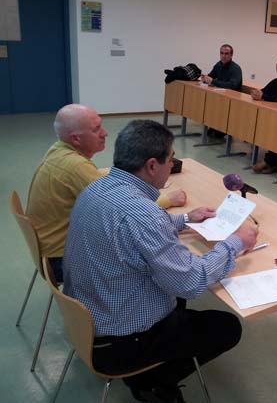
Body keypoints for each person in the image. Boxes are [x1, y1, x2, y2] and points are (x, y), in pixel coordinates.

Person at [63, 120, 258, 402]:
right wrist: (237, 242)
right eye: (171, 159)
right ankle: (152, 381)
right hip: (118, 343)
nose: (172, 166)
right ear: (152, 165)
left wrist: (185, 219)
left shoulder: (97, 188)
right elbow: (192, 281)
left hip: (88, 319)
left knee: (174, 293)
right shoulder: (144, 215)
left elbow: (129, 226)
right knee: (227, 327)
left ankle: (151, 374)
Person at [26, 104, 187, 282]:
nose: (105, 133)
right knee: (149, 255)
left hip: (49, 251)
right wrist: (168, 199)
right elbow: (127, 211)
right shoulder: (76, 167)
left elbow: (101, 184)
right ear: (76, 139)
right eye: (96, 129)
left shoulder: (58, 151)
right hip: (61, 261)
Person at [251, 60, 277, 174]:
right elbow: (263, 92)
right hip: (273, 116)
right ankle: (271, 163)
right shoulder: (275, 82)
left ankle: (270, 163)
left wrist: (263, 96)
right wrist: (256, 94)